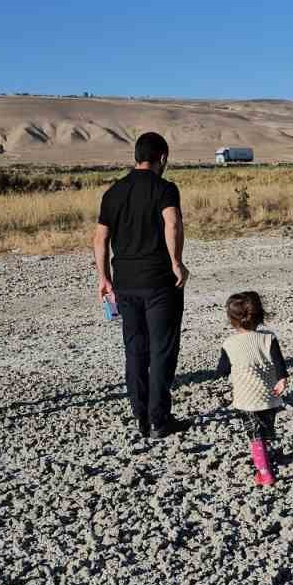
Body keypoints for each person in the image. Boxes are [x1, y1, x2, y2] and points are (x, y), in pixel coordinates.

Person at [93, 132, 190, 438]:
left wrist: (103, 277)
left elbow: (100, 238)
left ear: (136, 156)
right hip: (160, 280)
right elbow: (172, 223)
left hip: (125, 282)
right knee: (162, 349)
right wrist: (176, 261)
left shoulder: (113, 192)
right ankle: (159, 418)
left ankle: (140, 415)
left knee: (135, 349)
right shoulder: (165, 189)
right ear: (162, 157)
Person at [214, 291, 289, 486]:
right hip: (269, 395)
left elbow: (222, 370)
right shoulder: (268, 338)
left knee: (254, 435)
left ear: (232, 319)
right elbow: (279, 363)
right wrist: (282, 380)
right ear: (259, 315)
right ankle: (264, 453)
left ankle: (264, 472)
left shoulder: (229, 344)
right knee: (264, 428)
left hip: (246, 398)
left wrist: (229, 373)